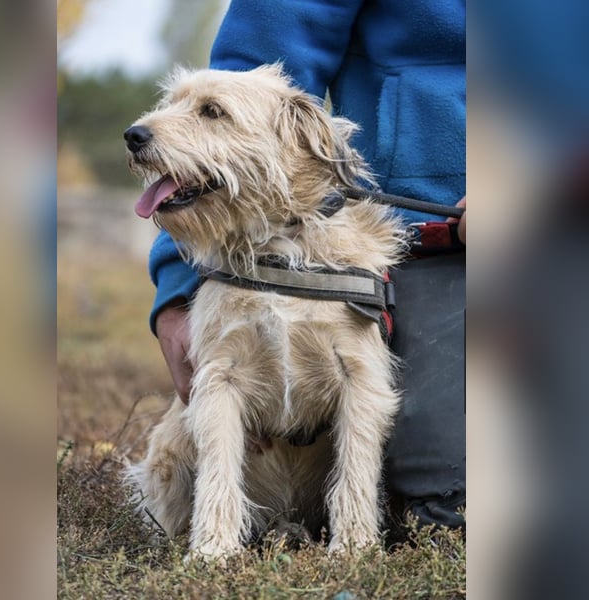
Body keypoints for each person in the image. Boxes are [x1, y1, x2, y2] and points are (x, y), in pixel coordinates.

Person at [147, 0, 466, 531]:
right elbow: (250, 68)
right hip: (428, 242)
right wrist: (178, 290)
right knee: (454, 505)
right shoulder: (271, 107)